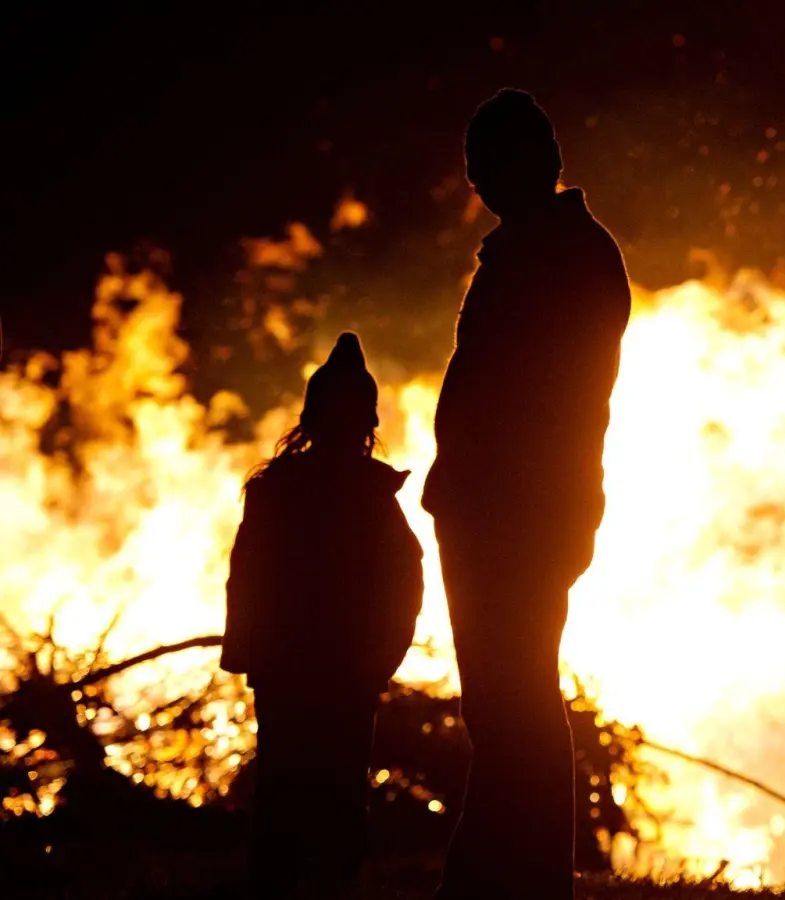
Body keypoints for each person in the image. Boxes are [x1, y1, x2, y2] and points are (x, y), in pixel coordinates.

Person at [421, 88, 632, 899]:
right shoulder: (542, 250)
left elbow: (546, 396)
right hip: (498, 509)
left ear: (540, 161)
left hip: (519, 512)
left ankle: (506, 879)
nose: (478, 180)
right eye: (474, 164)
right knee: (507, 701)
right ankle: (517, 876)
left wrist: (503, 493)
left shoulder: (562, 256)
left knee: (513, 702)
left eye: (490, 161)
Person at [222, 332, 424, 899]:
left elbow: (247, 578)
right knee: (334, 791)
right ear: (368, 426)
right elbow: (405, 586)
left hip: (293, 670)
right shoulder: (369, 499)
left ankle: (278, 885)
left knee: (284, 785)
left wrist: (250, 654)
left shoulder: (275, 491)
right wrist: (379, 661)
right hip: (342, 674)